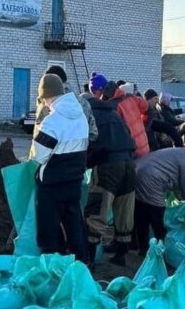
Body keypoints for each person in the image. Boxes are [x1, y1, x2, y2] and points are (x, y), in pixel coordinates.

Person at [31, 73, 90, 263]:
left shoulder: (51, 121)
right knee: (74, 225)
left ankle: (51, 267)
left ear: (46, 96)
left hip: (51, 184)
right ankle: (81, 265)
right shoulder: (81, 116)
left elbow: (38, 155)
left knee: (48, 230)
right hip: (74, 181)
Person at [83, 86, 137, 265]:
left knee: (97, 209)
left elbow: (95, 146)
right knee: (124, 210)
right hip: (129, 164)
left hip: (108, 166)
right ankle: (121, 256)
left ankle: (90, 260)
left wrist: (86, 163)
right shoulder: (113, 115)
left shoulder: (91, 117)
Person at [134, 146, 185, 253]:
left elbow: (178, 185)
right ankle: (160, 248)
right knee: (157, 215)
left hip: (138, 170)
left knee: (141, 213)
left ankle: (141, 247)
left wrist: (182, 199)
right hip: (152, 179)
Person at [32, 65, 97, 143]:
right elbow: (93, 134)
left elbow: (39, 136)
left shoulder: (47, 103)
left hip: (54, 152)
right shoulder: (83, 103)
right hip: (80, 152)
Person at [93, 73, 149, 158]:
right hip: (144, 146)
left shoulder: (112, 107)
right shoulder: (130, 97)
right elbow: (145, 106)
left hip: (132, 151)